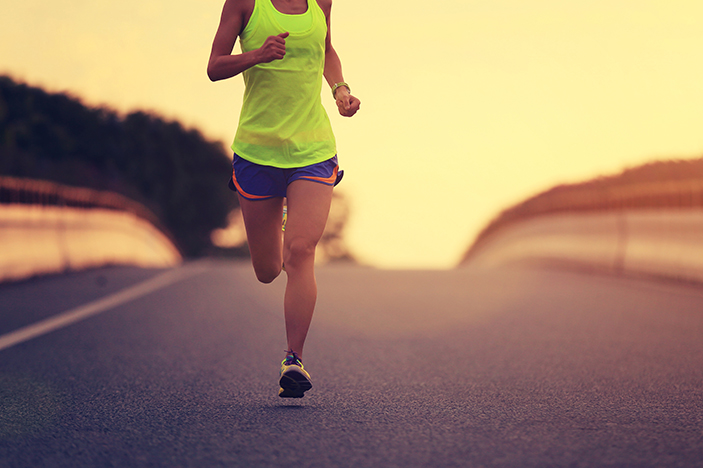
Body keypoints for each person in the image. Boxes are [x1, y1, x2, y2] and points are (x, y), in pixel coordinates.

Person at [207, 0, 360, 398]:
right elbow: (214, 65)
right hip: (258, 152)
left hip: (312, 150)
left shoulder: (319, 3)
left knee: (301, 250)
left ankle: (294, 359)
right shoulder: (244, 4)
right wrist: (257, 55)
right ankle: (268, 235)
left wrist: (340, 90)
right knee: (268, 268)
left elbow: (326, 49)